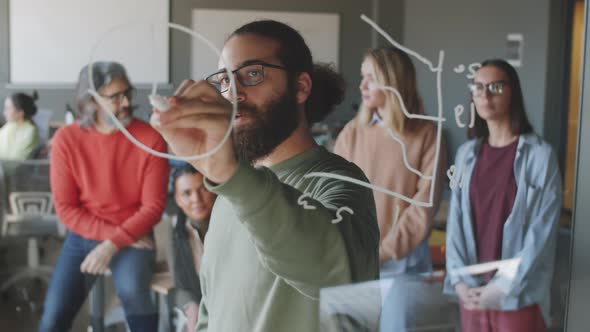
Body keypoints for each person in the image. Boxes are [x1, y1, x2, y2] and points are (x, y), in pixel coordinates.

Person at [150, 20, 380, 331]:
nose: (233, 94)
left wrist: (230, 173)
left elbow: (335, 276)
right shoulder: (229, 192)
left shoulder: (339, 182)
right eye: (225, 81)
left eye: (251, 74)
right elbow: (213, 308)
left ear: (300, 87)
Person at [39, 62, 170, 332]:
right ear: (92, 102)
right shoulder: (66, 139)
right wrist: (111, 238)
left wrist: (113, 243)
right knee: (53, 315)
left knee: (133, 291)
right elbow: (66, 209)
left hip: (134, 233)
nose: (126, 102)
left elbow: (154, 207)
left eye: (127, 93)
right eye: (115, 97)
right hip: (86, 234)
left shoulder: (150, 137)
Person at [444, 59, 562, 332]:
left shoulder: (540, 156)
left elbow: (540, 235)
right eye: (478, 87)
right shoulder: (466, 155)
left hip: (518, 297)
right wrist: (459, 280)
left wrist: (503, 287)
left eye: (495, 87)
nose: (485, 95)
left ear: (513, 93)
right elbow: (455, 225)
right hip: (472, 294)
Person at [334, 47, 447, 275]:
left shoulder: (427, 135)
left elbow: (423, 206)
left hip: (404, 263)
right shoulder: (351, 133)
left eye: (372, 78)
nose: (362, 86)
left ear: (394, 81)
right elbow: (335, 196)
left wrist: (383, 252)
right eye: (362, 76)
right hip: (354, 259)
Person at [170, 163, 217, 332]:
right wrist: (191, 308)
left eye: (203, 189)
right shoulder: (176, 231)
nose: (196, 199)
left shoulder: (233, 222)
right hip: (200, 306)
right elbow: (180, 285)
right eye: (186, 193)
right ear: (177, 199)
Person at [0, 91, 39, 160]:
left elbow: (15, 162)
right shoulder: (8, 127)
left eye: (8, 108)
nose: (4, 112)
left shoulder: (30, 131)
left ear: (20, 112)